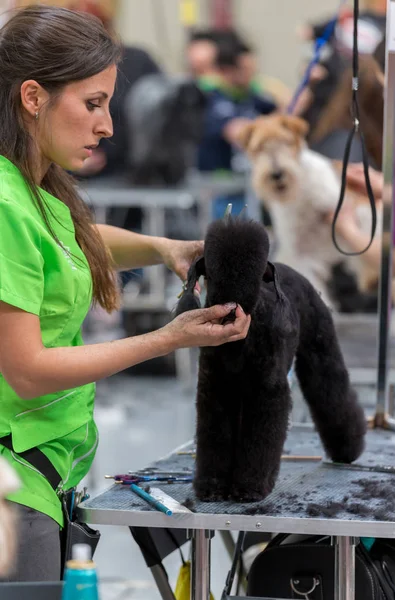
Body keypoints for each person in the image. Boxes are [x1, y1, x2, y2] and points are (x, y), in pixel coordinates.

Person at [0, 5, 251, 582]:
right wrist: (167, 338)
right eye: (93, 104)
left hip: (49, 471)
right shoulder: (6, 203)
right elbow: (29, 370)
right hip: (15, 486)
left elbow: (72, 240)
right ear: (33, 97)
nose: (108, 125)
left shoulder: (34, 186)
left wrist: (163, 246)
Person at [197, 35, 277, 219]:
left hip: (249, 186)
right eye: (245, 70)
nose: (251, 74)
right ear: (227, 70)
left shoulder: (254, 96)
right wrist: (269, 126)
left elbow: (282, 115)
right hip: (219, 190)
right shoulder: (211, 98)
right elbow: (236, 131)